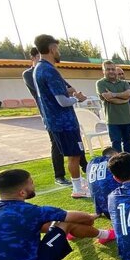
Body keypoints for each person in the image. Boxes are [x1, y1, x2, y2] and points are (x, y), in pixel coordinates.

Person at [32, 34, 90, 198]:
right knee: (75, 154)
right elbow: (62, 102)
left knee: (74, 154)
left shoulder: (39, 68)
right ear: (51, 49)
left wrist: (69, 91)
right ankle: (78, 189)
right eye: (57, 48)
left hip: (56, 121)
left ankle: (77, 182)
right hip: (64, 122)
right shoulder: (49, 70)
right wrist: (77, 99)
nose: (59, 52)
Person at [22, 47, 86, 186]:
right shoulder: (38, 72)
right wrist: (75, 98)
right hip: (56, 119)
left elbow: (70, 89)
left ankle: (81, 177)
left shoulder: (48, 71)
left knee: (75, 149)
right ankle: (64, 178)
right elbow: (62, 97)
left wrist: (67, 92)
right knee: (63, 148)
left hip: (63, 118)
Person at [96, 60, 130, 153]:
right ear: (103, 71)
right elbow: (108, 98)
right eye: (108, 69)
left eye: (113, 69)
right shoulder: (101, 83)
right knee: (116, 143)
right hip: (113, 121)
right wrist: (124, 99)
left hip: (127, 119)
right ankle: (119, 164)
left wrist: (113, 94)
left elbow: (129, 93)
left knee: (128, 142)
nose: (111, 71)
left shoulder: (124, 83)